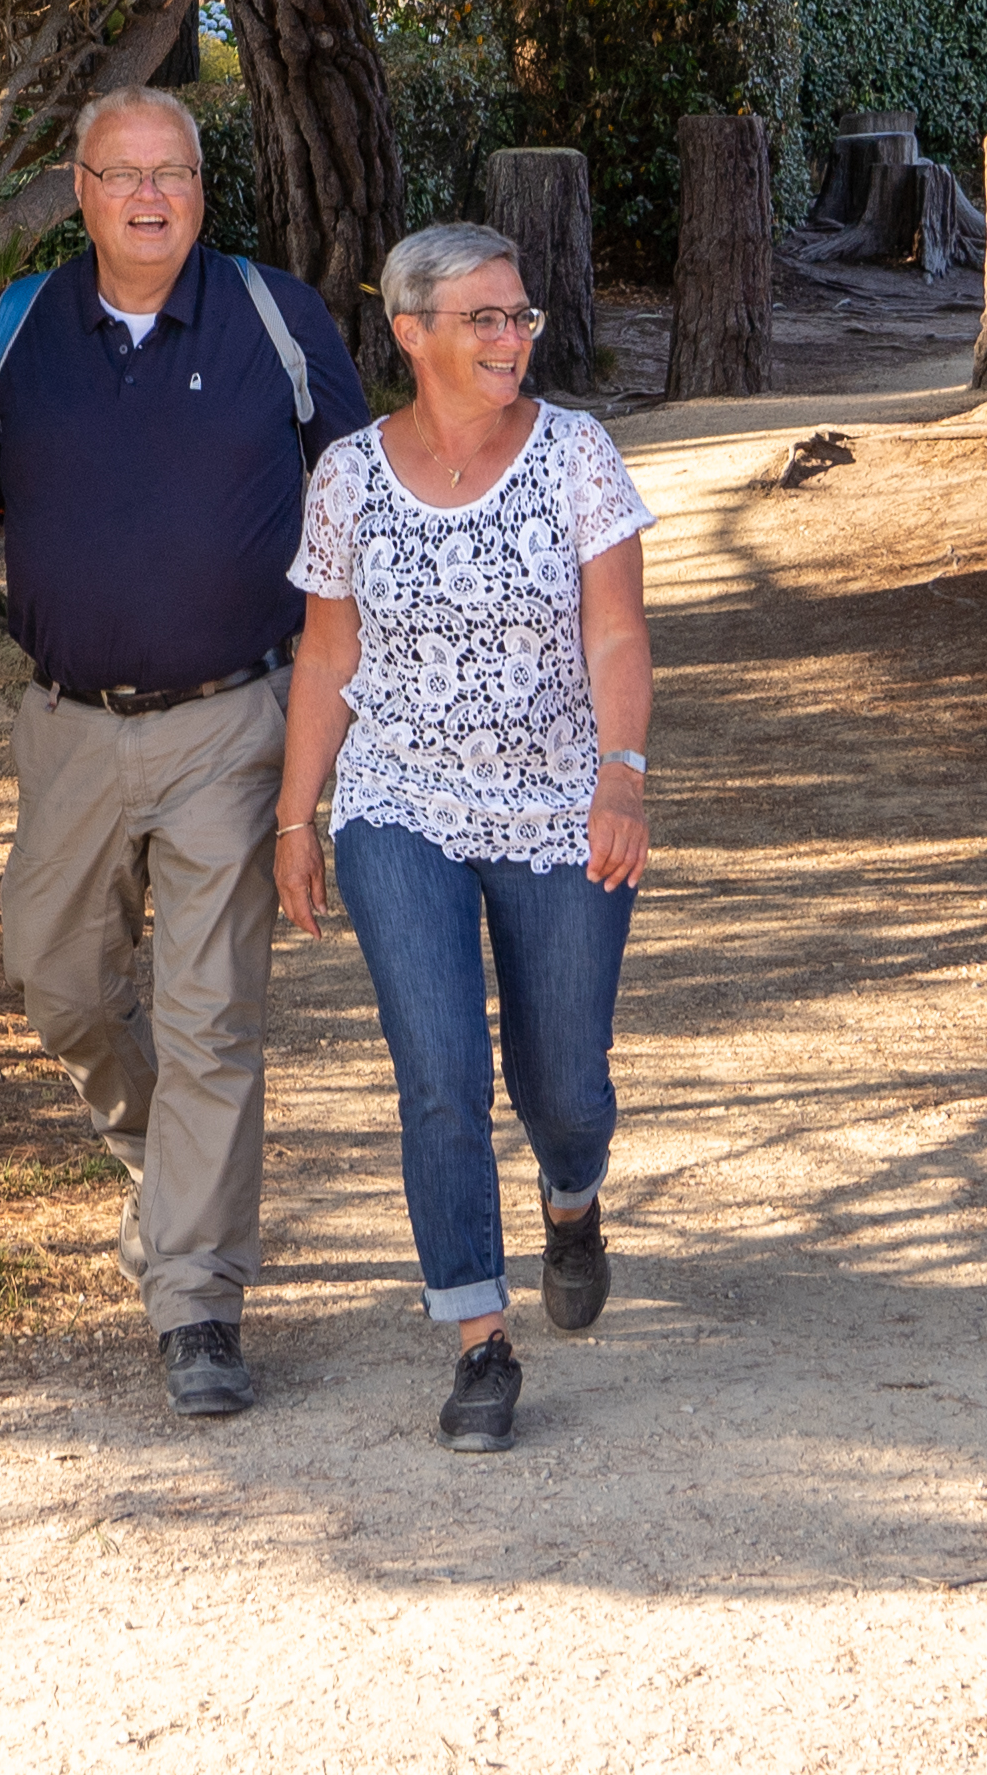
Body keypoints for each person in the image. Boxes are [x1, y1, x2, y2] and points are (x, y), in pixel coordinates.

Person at [0, 86, 370, 1421]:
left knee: (214, 1020)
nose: (151, 196)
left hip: (237, 724)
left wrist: (362, 715)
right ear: (80, 190)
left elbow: (366, 517)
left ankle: (197, 1298)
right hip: (68, 727)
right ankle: (170, 1162)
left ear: (206, 189)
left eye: (175, 174)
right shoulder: (22, 327)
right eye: (122, 174)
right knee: (57, 982)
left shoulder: (281, 319)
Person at [273, 215, 657, 1456]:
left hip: (558, 804)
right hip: (398, 804)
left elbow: (613, 633)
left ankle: (573, 1195)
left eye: (521, 314)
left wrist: (623, 774)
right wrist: (298, 813)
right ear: (410, 331)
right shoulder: (347, 475)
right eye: (484, 318)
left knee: (566, 1085)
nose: (512, 337)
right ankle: (478, 1340)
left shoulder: (577, 455)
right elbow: (328, 654)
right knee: (438, 1070)